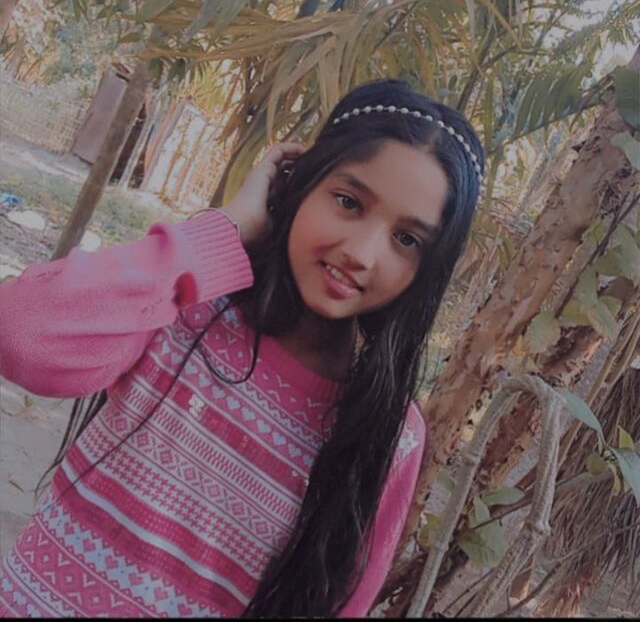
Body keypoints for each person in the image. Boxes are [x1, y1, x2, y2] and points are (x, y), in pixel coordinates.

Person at [0, 78, 484, 618]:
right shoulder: (183, 306)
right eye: (348, 202)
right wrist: (226, 230)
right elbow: (19, 334)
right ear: (300, 183)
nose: (362, 252)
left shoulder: (387, 435)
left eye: (407, 239)